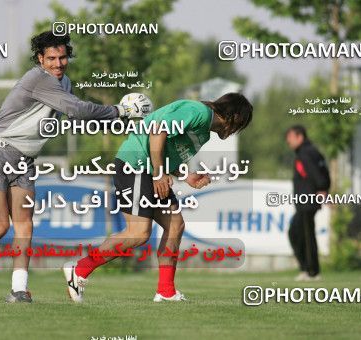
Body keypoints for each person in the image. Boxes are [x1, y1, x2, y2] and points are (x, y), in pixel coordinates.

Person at [0, 30, 141, 303]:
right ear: (40, 59)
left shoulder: (65, 83)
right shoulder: (38, 79)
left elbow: (78, 117)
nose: (58, 63)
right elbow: (79, 110)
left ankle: (19, 290)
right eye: (51, 58)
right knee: (0, 226)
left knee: (25, 226)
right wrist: (119, 111)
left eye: (62, 57)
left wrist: (120, 120)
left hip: (25, 160)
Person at [63, 93, 253, 302]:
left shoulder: (204, 131)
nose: (237, 131)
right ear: (234, 117)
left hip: (151, 170)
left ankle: (166, 290)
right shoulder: (198, 112)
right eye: (241, 124)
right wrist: (159, 173)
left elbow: (167, 151)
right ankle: (79, 268)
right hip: (135, 164)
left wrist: (186, 175)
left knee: (175, 226)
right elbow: (157, 131)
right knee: (138, 233)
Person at [285, 125, 330, 281]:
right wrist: (324, 187)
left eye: (290, 137)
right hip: (305, 201)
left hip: (308, 201)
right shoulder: (311, 151)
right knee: (296, 233)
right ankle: (306, 268)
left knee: (306, 235)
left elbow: (318, 173)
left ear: (300, 137)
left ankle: (312, 272)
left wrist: (323, 188)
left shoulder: (305, 153)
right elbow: (324, 170)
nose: (287, 141)